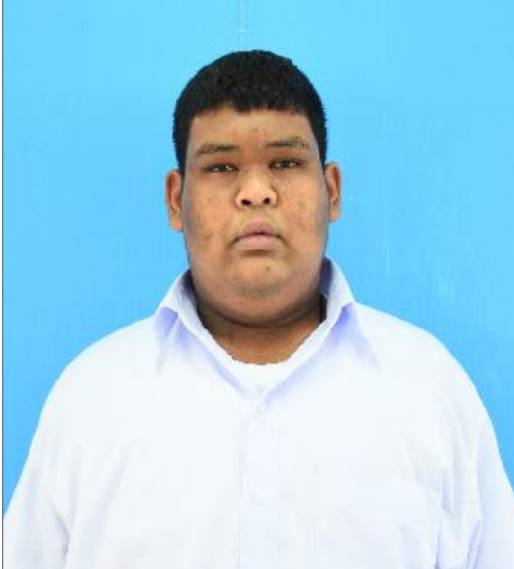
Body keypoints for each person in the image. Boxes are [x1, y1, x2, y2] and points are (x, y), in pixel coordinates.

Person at [5, 50, 514, 569]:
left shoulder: (429, 388)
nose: (255, 192)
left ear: (331, 190)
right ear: (176, 199)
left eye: (286, 163)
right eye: (221, 167)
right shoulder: (92, 399)